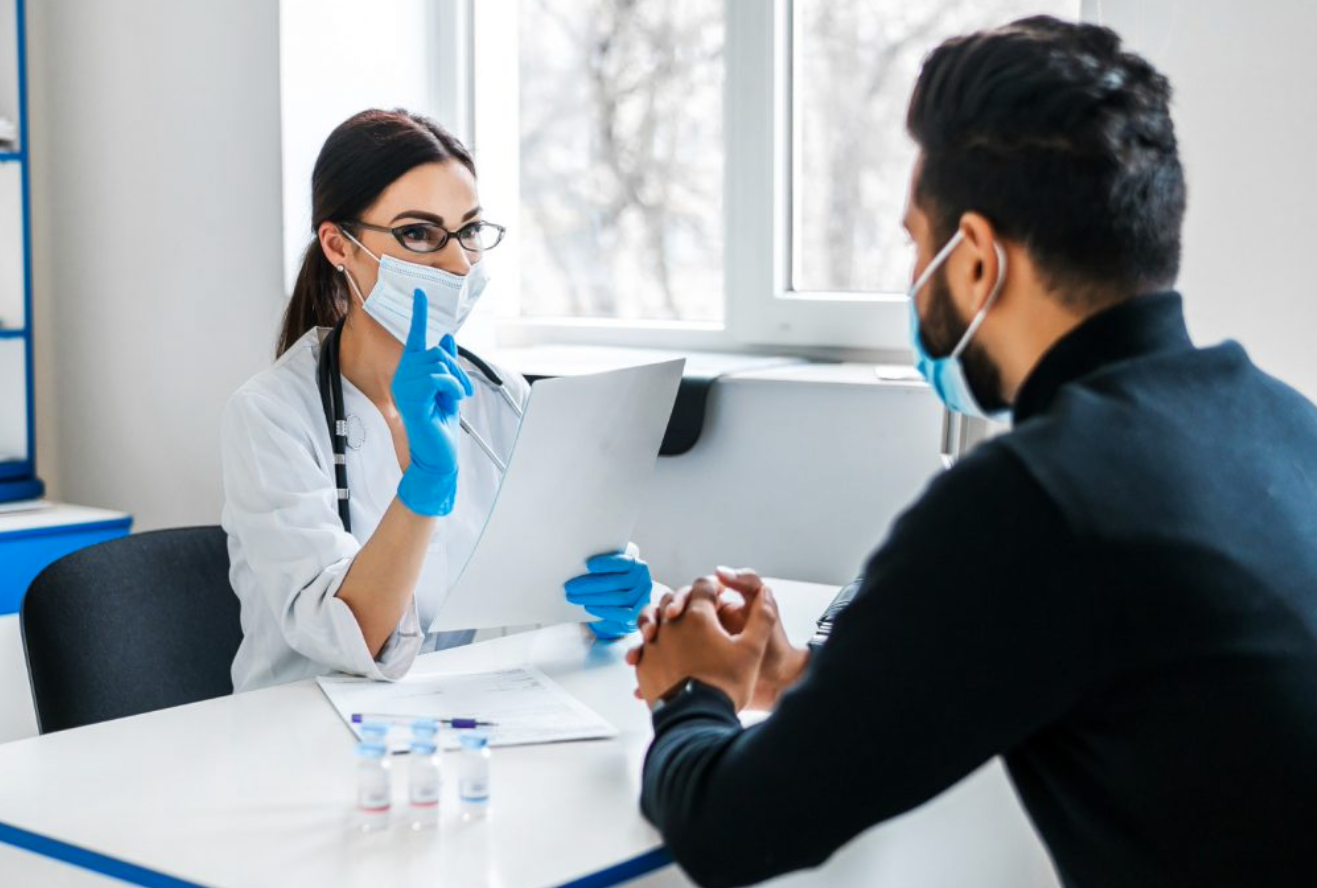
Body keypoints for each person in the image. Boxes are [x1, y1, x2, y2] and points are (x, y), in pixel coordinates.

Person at [630, 16, 1317, 888]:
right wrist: (800, 682)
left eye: (917, 244)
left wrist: (689, 694)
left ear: (978, 263)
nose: (914, 276)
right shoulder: (1284, 423)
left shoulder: (1039, 495)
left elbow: (730, 832)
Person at [221, 109, 653, 693]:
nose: (457, 262)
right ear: (338, 246)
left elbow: (535, 585)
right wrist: (423, 485)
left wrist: (604, 594)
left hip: (465, 713)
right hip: (301, 725)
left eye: (469, 230)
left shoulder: (502, 396)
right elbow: (349, 635)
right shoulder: (272, 417)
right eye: (418, 234)